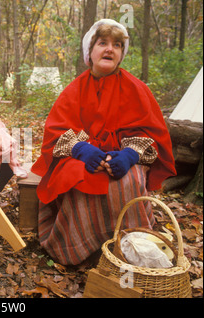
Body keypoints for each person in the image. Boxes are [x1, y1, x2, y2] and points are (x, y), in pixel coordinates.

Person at [31, 19, 176, 265]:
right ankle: (80, 250)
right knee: (78, 178)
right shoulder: (74, 89)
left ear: (121, 54)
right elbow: (55, 131)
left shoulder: (137, 89)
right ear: (91, 51)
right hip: (82, 158)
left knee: (128, 180)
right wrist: (81, 149)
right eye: (103, 43)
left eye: (117, 45)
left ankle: (131, 247)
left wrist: (130, 154)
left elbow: (152, 133)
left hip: (122, 156)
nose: (110, 49)